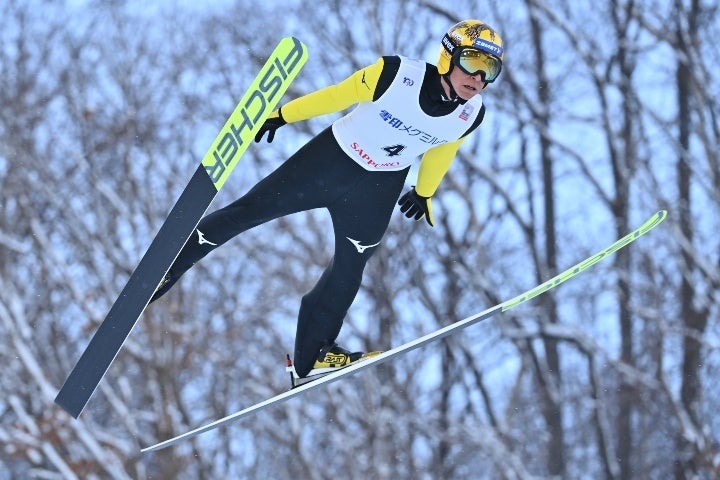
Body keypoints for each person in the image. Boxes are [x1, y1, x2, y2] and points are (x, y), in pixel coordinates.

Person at [151, 19, 504, 379]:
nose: (478, 79)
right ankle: (166, 268)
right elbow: (338, 95)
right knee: (250, 210)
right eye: (472, 63)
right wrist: (283, 115)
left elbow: (444, 149)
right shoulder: (396, 74)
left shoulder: (469, 114)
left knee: (350, 268)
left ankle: (313, 356)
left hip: (378, 187)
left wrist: (425, 191)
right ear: (448, 57)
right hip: (330, 162)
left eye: (489, 71)